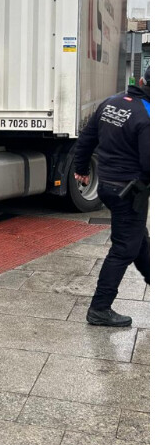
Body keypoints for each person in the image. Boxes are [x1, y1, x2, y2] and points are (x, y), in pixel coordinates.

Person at [72, 66, 149, 327]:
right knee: (124, 248)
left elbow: (87, 138)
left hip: (107, 185)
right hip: (129, 190)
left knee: (139, 240)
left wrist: (81, 169)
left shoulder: (111, 102)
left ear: (140, 80)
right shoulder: (146, 115)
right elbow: (148, 164)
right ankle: (100, 309)